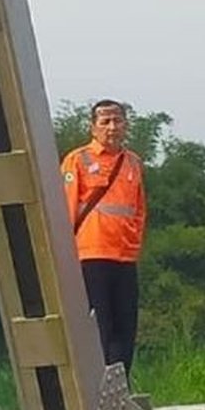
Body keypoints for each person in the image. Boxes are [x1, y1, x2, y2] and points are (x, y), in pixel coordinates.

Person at [61, 99, 147, 376]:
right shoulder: (78, 160)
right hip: (91, 255)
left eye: (118, 121)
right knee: (100, 327)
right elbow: (67, 210)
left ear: (126, 125)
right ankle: (99, 387)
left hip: (124, 256)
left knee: (125, 327)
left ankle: (121, 386)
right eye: (105, 122)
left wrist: (133, 245)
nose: (112, 127)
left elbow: (138, 210)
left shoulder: (132, 162)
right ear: (93, 127)